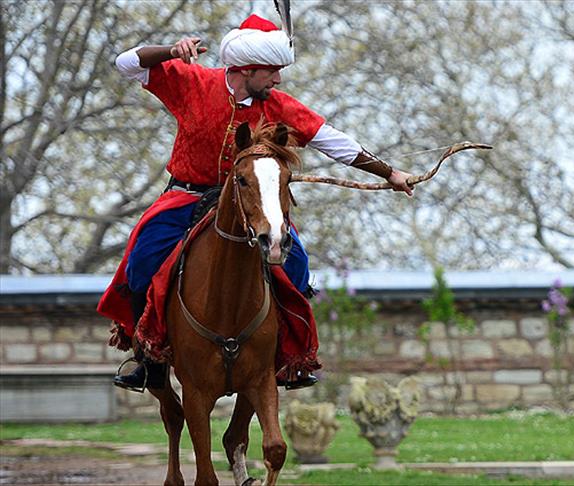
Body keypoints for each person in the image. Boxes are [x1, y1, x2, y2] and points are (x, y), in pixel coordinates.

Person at [101, 14, 413, 391]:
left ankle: (287, 358)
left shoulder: (279, 105)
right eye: (272, 72)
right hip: (186, 197)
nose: (277, 80)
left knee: (296, 265)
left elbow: (334, 142)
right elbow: (125, 63)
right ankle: (148, 358)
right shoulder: (192, 82)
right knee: (141, 260)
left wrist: (389, 173)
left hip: (249, 203)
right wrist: (170, 50)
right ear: (247, 69)